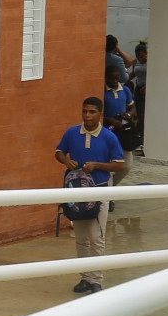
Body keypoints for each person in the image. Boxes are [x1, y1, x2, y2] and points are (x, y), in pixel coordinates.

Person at [56, 96, 127, 294]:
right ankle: (85, 278)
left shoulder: (109, 137)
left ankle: (96, 280)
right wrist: (66, 161)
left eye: (92, 112)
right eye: (84, 111)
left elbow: (120, 164)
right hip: (77, 191)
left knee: (96, 237)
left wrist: (97, 165)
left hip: (100, 189)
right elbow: (59, 152)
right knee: (81, 237)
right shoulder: (72, 133)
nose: (87, 115)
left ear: (100, 114)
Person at [102, 64, 137, 184]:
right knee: (109, 164)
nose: (115, 81)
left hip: (123, 132)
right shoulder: (103, 91)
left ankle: (113, 186)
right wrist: (110, 120)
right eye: (112, 78)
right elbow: (98, 114)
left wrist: (128, 114)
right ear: (106, 78)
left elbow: (133, 107)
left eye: (117, 78)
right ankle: (108, 190)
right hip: (108, 131)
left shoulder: (125, 90)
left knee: (127, 165)